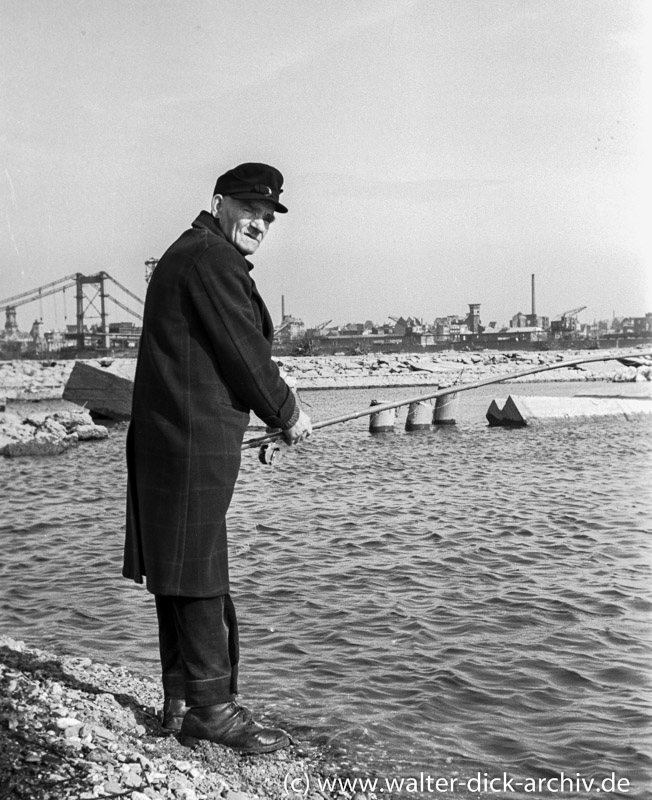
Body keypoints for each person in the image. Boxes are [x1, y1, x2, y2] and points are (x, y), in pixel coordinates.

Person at [122, 162, 312, 754]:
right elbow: (243, 354)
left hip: (172, 437)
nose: (260, 222)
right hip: (188, 440)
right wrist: (286, 414)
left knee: (180, 569)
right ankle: (212, 711)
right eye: (250, 208)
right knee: (199, 571)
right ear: (219, 201)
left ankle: (181, 700)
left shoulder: (191, 251)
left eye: (268, 215)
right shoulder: (212, 260)